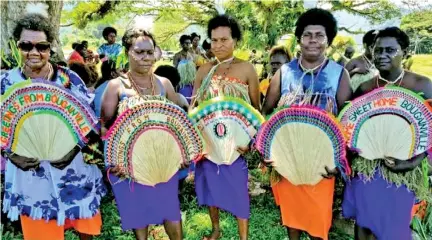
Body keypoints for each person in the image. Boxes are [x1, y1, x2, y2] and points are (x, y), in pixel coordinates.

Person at [1, 14, 106, 240]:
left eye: (42, 46)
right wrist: (10, 154)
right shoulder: (6, 84)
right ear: (17, 46)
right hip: (29, 173)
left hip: (73, 169)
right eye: (26, 45)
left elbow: (89, 124)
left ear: (51, 48)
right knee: (41, 232)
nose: (34, 52)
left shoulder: (69, 80)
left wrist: (73, 150)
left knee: (84, 226)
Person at [262, 8, 352, 240]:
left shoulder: (338, 74)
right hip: (287, 158)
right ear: (299, 39)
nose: (313, 40)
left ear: (328, 40)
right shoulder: (284, 72)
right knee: (292, 217)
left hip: (322, 161)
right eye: (307, 35)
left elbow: (347, 121)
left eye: (319, 35)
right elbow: (267, 114)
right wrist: (267, 150)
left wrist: (339, 162)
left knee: (318, 220)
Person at [342, 27, 432, 240]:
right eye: (378, 50)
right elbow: (351, 129)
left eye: (390, 50)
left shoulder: (423, 85)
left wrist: (414, 161)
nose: (382, 56)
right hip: (368, 169)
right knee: (364, 221)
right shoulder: (365, 88)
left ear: (405, 53)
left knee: (394, 226)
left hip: (404, 171)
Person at [101, 27, 182, 240]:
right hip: (131, 163)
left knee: (171, 210)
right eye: (139, 52)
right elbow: (105, 127)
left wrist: (181, 154)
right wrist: (115, 161)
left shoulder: (164, 84)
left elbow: (178, 122)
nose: (146, 57)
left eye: (149, 51)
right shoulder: (116, 87)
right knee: (139, 213)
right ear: (127, 52)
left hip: (164, 161)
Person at [191, 14, 260, 240]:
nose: (218, 45)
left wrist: (249, 142)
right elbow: (196, 111)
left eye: (224, 40)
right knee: (210, 189)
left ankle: (243, 237)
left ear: (235, 41)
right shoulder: (203, 70)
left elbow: (255, 112)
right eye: (214, 40)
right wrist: (199, 142)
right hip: (209, 145)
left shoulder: (247, 69)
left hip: (235, 146)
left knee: (239, 192)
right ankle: (216, 230)